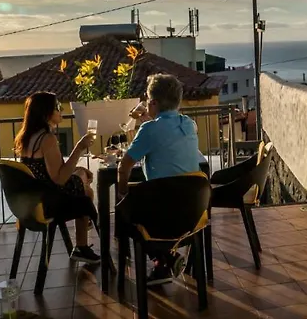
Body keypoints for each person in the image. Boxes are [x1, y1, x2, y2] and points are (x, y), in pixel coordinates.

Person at [118, 73, 202, 284]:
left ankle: (160, 259)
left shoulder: (149, 130)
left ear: (153, 102)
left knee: (123, 214)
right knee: (146, 205)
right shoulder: (190, 124)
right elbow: (166, 134)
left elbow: (124, 166)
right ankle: (163, 263)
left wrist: (122, 193)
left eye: (148, 100)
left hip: (162, 215)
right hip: (193, 212)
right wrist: (150, 119)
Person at [14, 91, 100, 264]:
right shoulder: (47, 139)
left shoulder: (27, 138)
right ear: (46, 112)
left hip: (33, 202)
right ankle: (83, 239)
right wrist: (79, 148)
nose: (62, 110)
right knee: (85, 191)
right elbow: (59, 179)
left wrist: (78, 170)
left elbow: (49, 171)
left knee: (82, 180)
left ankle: (83, 236)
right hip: (49, 203)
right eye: (58, 107)